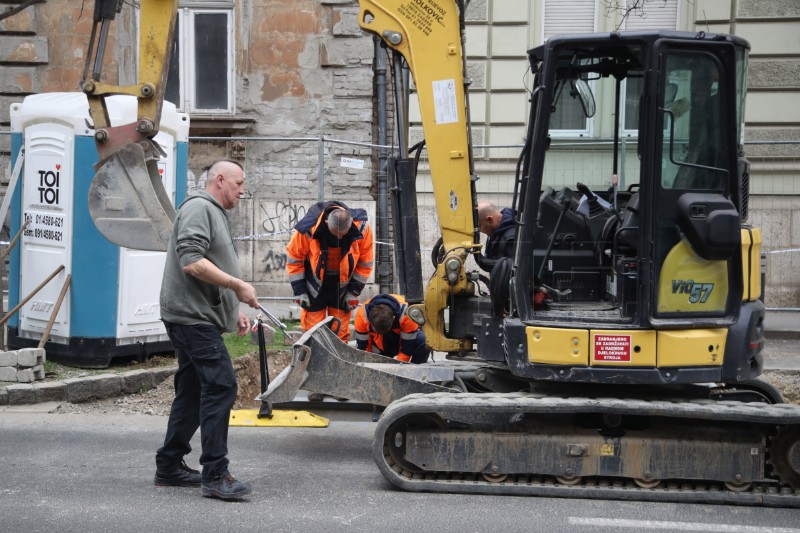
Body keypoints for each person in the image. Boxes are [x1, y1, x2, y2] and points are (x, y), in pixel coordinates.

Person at [155, 159, 258, 502]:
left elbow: (212, 269)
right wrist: (238, 284)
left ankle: (169, 465)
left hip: (194, 316)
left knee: (194, 389)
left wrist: (233, 311)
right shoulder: (200, 208)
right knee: (222, 385)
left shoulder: (214, 211)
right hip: (190, 319)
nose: (243, 191)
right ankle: (215, 473)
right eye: (239, 183)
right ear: (220, 180)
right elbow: (192, 261)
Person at [286, 201, 374, 342]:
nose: (339, 238)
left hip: (343, 287)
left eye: (342, 235)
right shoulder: (307, 228)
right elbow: (294, 259)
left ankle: (338, 361)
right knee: (313, 332)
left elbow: (366, 262)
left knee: (339, 333)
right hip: (314, 285)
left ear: (351, 223)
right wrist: (300, 291)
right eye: (336, 234)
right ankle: (314, 360)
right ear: (326, 222)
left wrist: (353, 292)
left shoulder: (361, 228)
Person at [354, 294, 430, 364]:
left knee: (422, 340)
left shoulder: (407, 314)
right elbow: (364, 348)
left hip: (398, 342)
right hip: (378, 347)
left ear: (393, 318)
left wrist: (398, 368)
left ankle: (416, 372)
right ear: (370, 321)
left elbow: (407, 348)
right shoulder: (361, 316)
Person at [476, 201, 516, 272]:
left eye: (480, 226)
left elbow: (514, 271)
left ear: (490, 220)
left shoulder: (512, 237)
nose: (480, 230)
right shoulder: (496, 231)